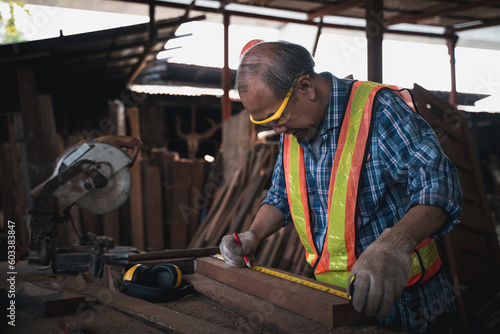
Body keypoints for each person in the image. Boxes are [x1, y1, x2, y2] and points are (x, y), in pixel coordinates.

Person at [219, 40, 462, 333]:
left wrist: (394, 243)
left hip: (409, 301)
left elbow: (439, 185)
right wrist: (253, 235)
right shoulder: (294, 126)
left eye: (278, 117)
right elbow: (282, 196)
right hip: (335, 302)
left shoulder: (380, 110)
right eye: (268, 122)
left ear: (305, 87)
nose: (278, 130)